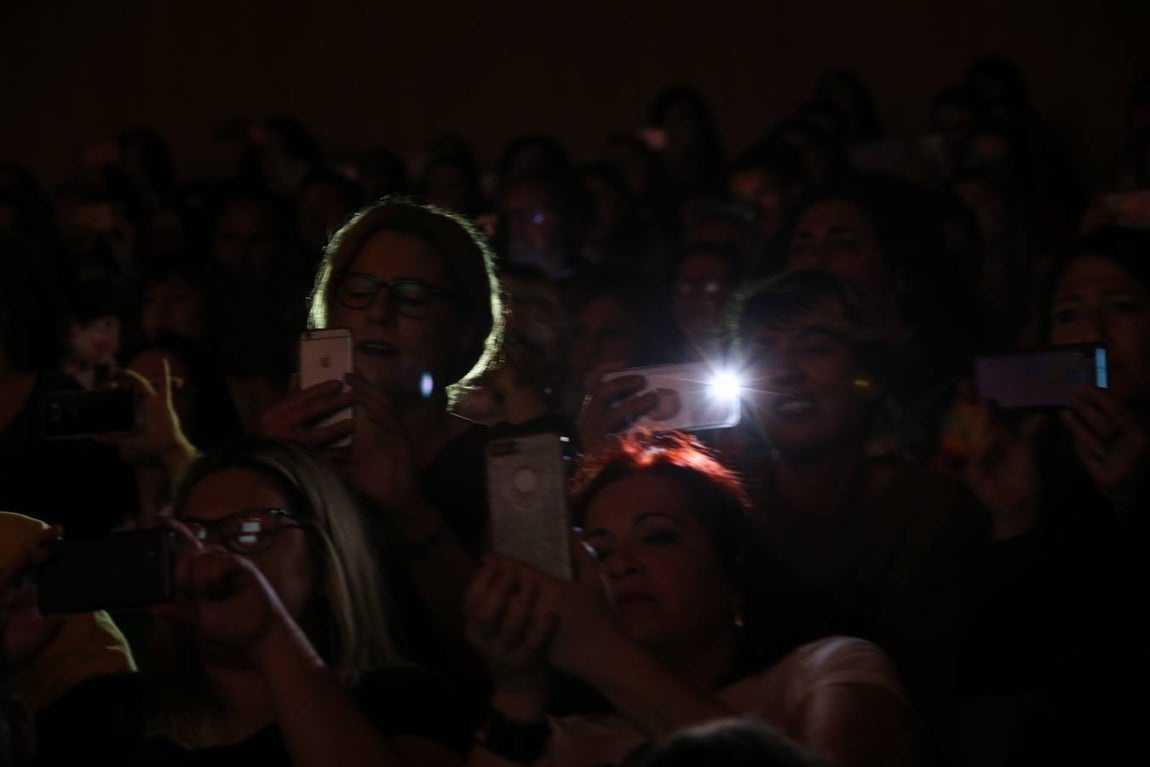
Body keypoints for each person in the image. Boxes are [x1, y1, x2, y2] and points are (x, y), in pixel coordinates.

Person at [464, 429, 918, 767]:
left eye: (657, 537)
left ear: (731, 568)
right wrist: (517, 691)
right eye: (598, 552)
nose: (620, 565)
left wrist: (600, 653)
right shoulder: (566, 741)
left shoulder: (823, 672)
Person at [32, 438, 469, 766]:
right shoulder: (106, 713)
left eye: (251, 531)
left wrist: (268, 633)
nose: (213, 558)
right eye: (195, 535)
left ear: (324, 555)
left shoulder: (399, 701)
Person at [717, 270, 988, 725]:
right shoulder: (721, 502)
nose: (783, 371)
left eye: (814, 349)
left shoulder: (932, 510)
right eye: (761, 352)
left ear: (867, 373)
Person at [259, 197, 503, 690]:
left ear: (465, 328)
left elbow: (501, 654)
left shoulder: (499, 464)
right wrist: (264, 476)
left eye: (412, 298)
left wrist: (409, 511)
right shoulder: (290, 446)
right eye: (359, 291)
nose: (379, 312)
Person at [956, 226, 1150, 765]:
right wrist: (1013, 522)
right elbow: (1009, 671)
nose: (1095, 332)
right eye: (1068, 315)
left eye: (1123, 308)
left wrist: (1137, 500)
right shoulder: (1037, 460)